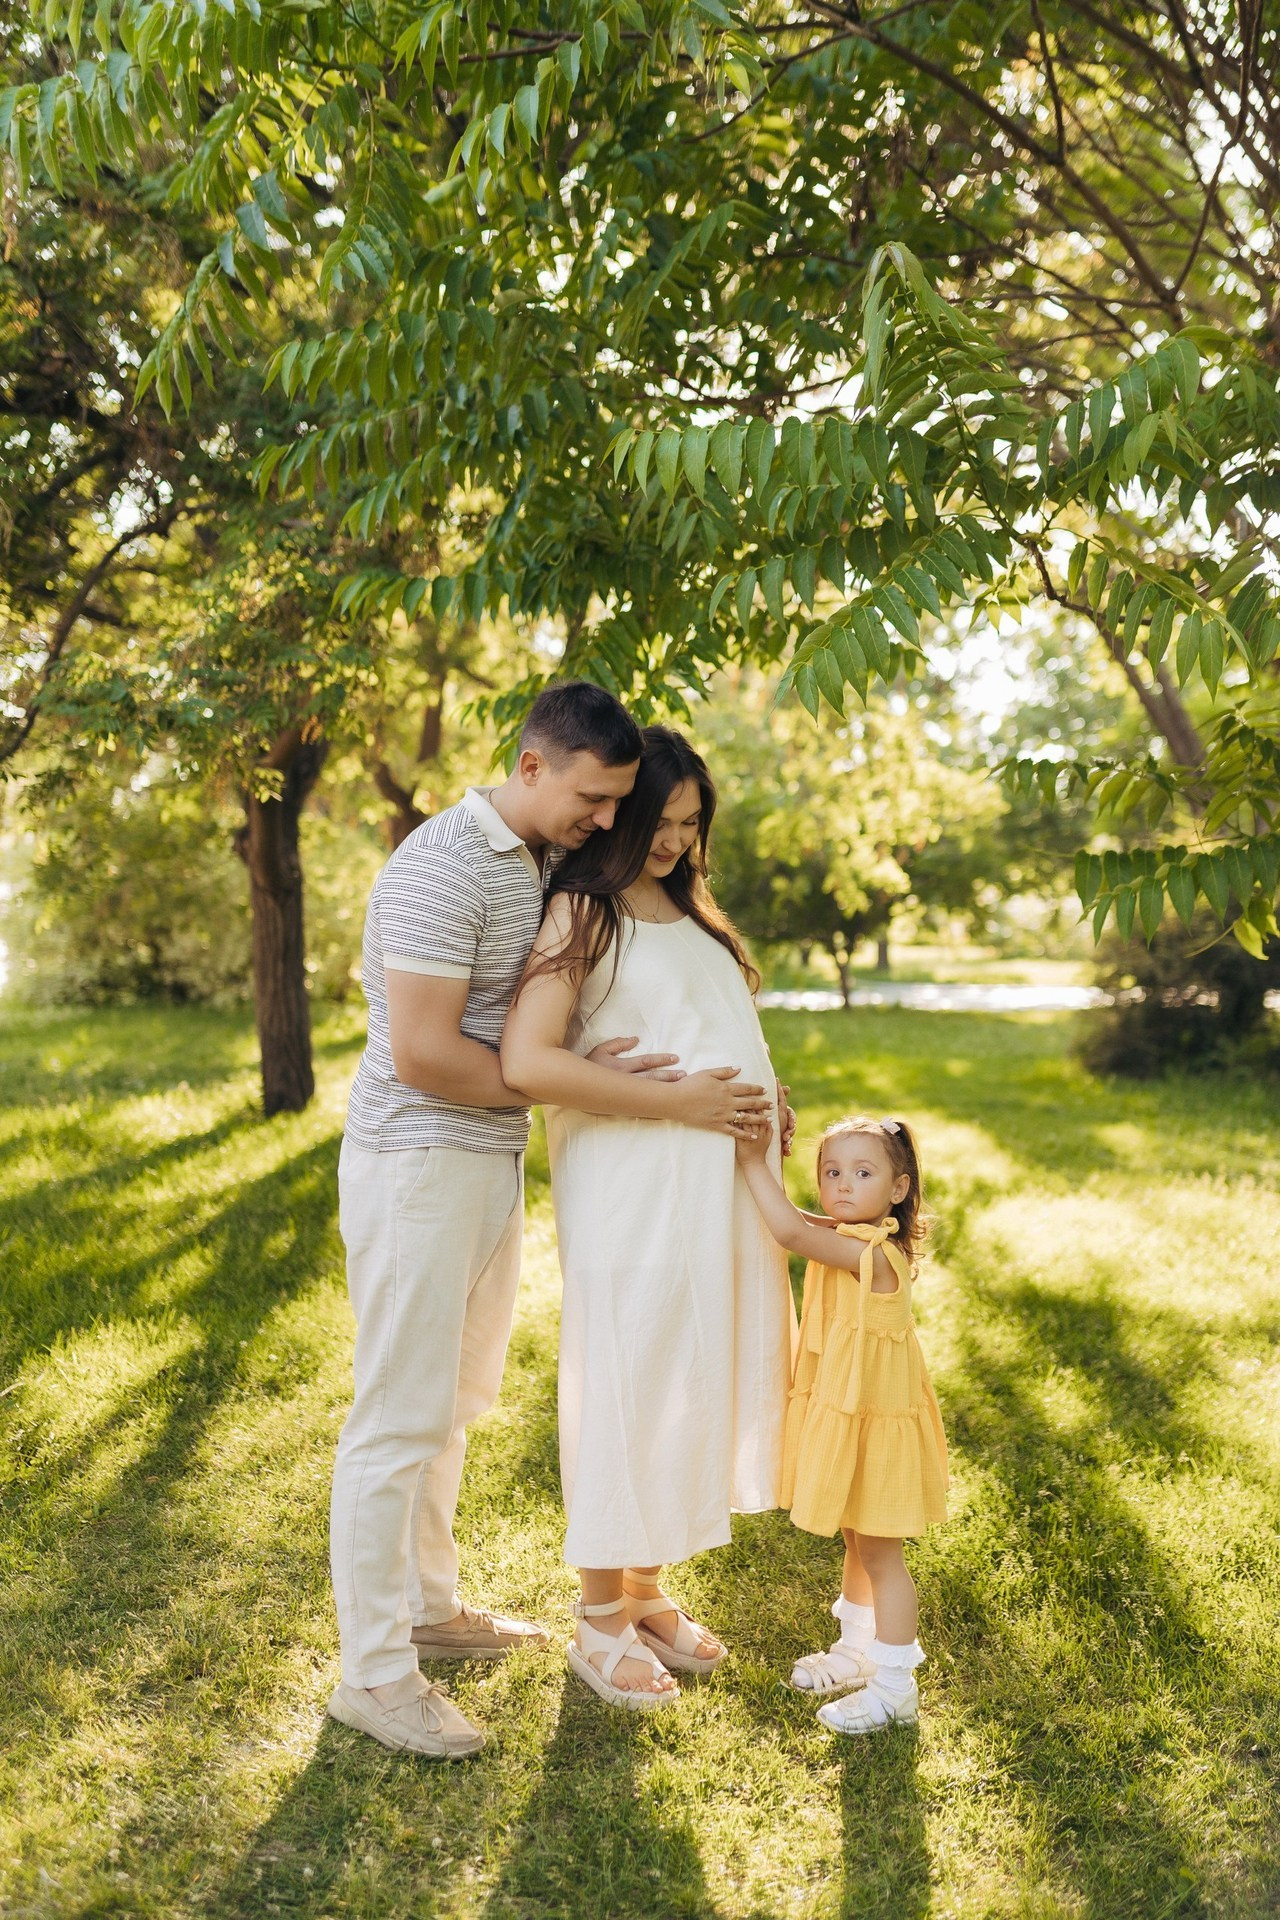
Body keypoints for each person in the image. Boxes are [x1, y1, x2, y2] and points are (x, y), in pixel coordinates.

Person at [329, 683, 773, 1758]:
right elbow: (425, 1056)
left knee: (453, 1402)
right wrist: (575, 1082)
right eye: (595, 798)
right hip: (414, 1160)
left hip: (482, 1159)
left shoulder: (530, 860)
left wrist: (578, 1079)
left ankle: (430, 1609)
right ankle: (373, 1675)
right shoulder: (443, 863)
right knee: (395, 1417)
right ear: (533, 767)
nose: (607, 822)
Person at [500, 726, 796, 1710]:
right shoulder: (580, 913)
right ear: (618, 815)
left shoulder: (679, 907)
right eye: (659, 822)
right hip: (634, 1182)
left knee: (688, 1376)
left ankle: (642, 1590)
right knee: (630, 1375)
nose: (673, 842)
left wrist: (767, 1089)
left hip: (717, 1186)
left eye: (689, 825)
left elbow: (711, 1025)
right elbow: (530, 1061)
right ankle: (594, 1622)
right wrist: (687, 1105)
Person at [733, 1114, 948, 1734]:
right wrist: (776, 1159)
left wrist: (752, 1161)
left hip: (875, 1424)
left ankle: (893, 1686)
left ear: (899, 1189)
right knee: (857, 1537)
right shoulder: (854, 1230)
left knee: (882, 1553)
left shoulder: (872, 1253)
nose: (844, 1185)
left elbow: (790, 1233)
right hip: (855, 1413)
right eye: (832, 1173)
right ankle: (856, 1647)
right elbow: (806, 1220)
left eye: (863, 1173)